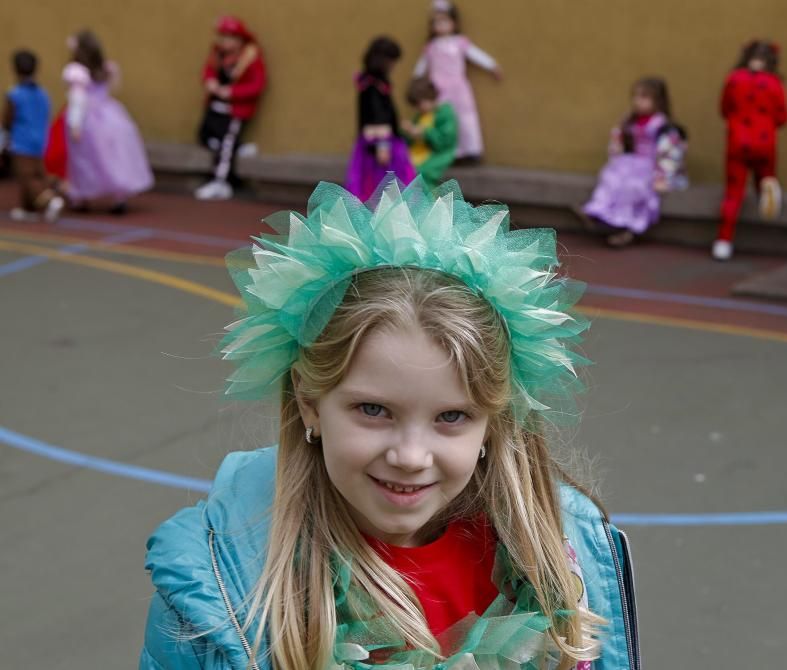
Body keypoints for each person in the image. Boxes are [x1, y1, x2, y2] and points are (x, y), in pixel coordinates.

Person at [141, 178, 640, 670]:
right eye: (373, 411)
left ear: (494, 420)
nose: (410, 456)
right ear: (309, 399)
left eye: (451, 416)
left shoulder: (568, 556)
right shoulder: (218, 594)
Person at [581, 76, 688, 247]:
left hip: (650, 166)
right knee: (611, 179)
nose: (637, 101)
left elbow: (669, 153)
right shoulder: (630, 121)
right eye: (635, 96)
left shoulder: (662, 126)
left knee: (634, 188)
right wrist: (618, 143)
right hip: (630, 163)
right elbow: (619, 143)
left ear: (658, 101)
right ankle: (600, 212)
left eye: (644, 97)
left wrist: (662, 177)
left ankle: (626, 228)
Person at [62, 30, 153, 213]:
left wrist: (75, 124)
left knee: (84, 159)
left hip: (88, 120)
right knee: (113, 157)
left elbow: (77, 99)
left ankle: (82, 195)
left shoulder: (77, 72)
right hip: (110, 116)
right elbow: (111, 88)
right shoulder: (105, 68)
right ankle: (119, 196)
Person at [714, 40, 787, 261]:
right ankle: (766, 201)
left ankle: (724, 240)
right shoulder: (775, 84)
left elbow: (724, 108)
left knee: (733, 192)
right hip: (765, 142)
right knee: (766, 177)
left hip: (737, 142)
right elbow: (783, 116)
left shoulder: (733, 79)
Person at [414, 0, 501, 163]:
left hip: (458, 88)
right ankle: (447, 151)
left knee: (465, 117)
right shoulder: (431, 46)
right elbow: (421, 66)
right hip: (437, 89)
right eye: (437, 22)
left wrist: (492, 65)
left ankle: (470, 150)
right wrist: (416, 80)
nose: (441, 25)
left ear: (454, 22)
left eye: (445, 21)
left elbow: (476, 55)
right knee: (442, 119)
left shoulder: (460, 42)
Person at [195, 16, 267, 201]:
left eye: (229, 37)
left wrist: (232, 92)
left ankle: (220, 182)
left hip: (234, 112)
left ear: (239, 39)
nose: (224, 41)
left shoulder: (251, 57)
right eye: (222, 36)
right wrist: (210, 81)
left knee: (225, 148)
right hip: (214, 108)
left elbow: (257, 86)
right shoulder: (217, 53)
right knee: (206, 137)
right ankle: (240, 147)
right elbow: (208, 71)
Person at [345, 37, 415, 202]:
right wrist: (383, 144)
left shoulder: (369, 83)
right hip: (379, 144)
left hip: (375, 143)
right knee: (382, 186)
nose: (393, 67)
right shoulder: (373, 86)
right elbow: (377, 116)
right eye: (392, 62)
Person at [3, 49, 64, 221]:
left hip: (22, 142)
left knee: (27, 177)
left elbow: (7, 120)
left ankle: (50, 201)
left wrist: (6, 136)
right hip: (40, 141)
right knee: (34, 174)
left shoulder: (14, 94)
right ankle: (27, 208)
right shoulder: (42, 94)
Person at [401, 76, 458, 184]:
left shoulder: (444, 112)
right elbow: (410, 141)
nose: (418, 108)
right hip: (417, 153)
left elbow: (446, 140)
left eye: (420, 103)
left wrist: (425, 133)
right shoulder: (420, 116)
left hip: (437, 154)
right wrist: (408, 132)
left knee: (422, 172)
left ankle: (426, 199)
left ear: (429, 96)